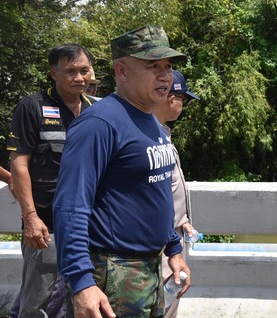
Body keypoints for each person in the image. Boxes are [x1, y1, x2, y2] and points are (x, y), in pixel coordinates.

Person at [53, 25, 191, 317]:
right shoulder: (99, 124)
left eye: (167, 66)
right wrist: (81, 282)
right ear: (122, 71)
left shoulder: (151, 121)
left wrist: (174, 249)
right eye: (152, 66)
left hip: (149, 271)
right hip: (111, 274)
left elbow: (156, 193)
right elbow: (71, 206)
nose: (165, 75)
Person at [7, 44, 95, 318]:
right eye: (70, 71)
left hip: (88, 225)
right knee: (39, 302)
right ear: (53, 73)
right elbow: (19, 164)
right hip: (47, 226)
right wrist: (31, 218)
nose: (79, 78)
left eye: (84, 71)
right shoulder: (32, 107)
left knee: (81, 299)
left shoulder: (96, 109)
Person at [151, 69, 200, 318]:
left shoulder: (160, 134)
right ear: (172, 99)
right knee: (162, 304)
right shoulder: (150, 137)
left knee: (169, 300)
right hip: (162, 244)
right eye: (183, 100)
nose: (182, 106)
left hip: (171, 237)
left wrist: (184, 221)